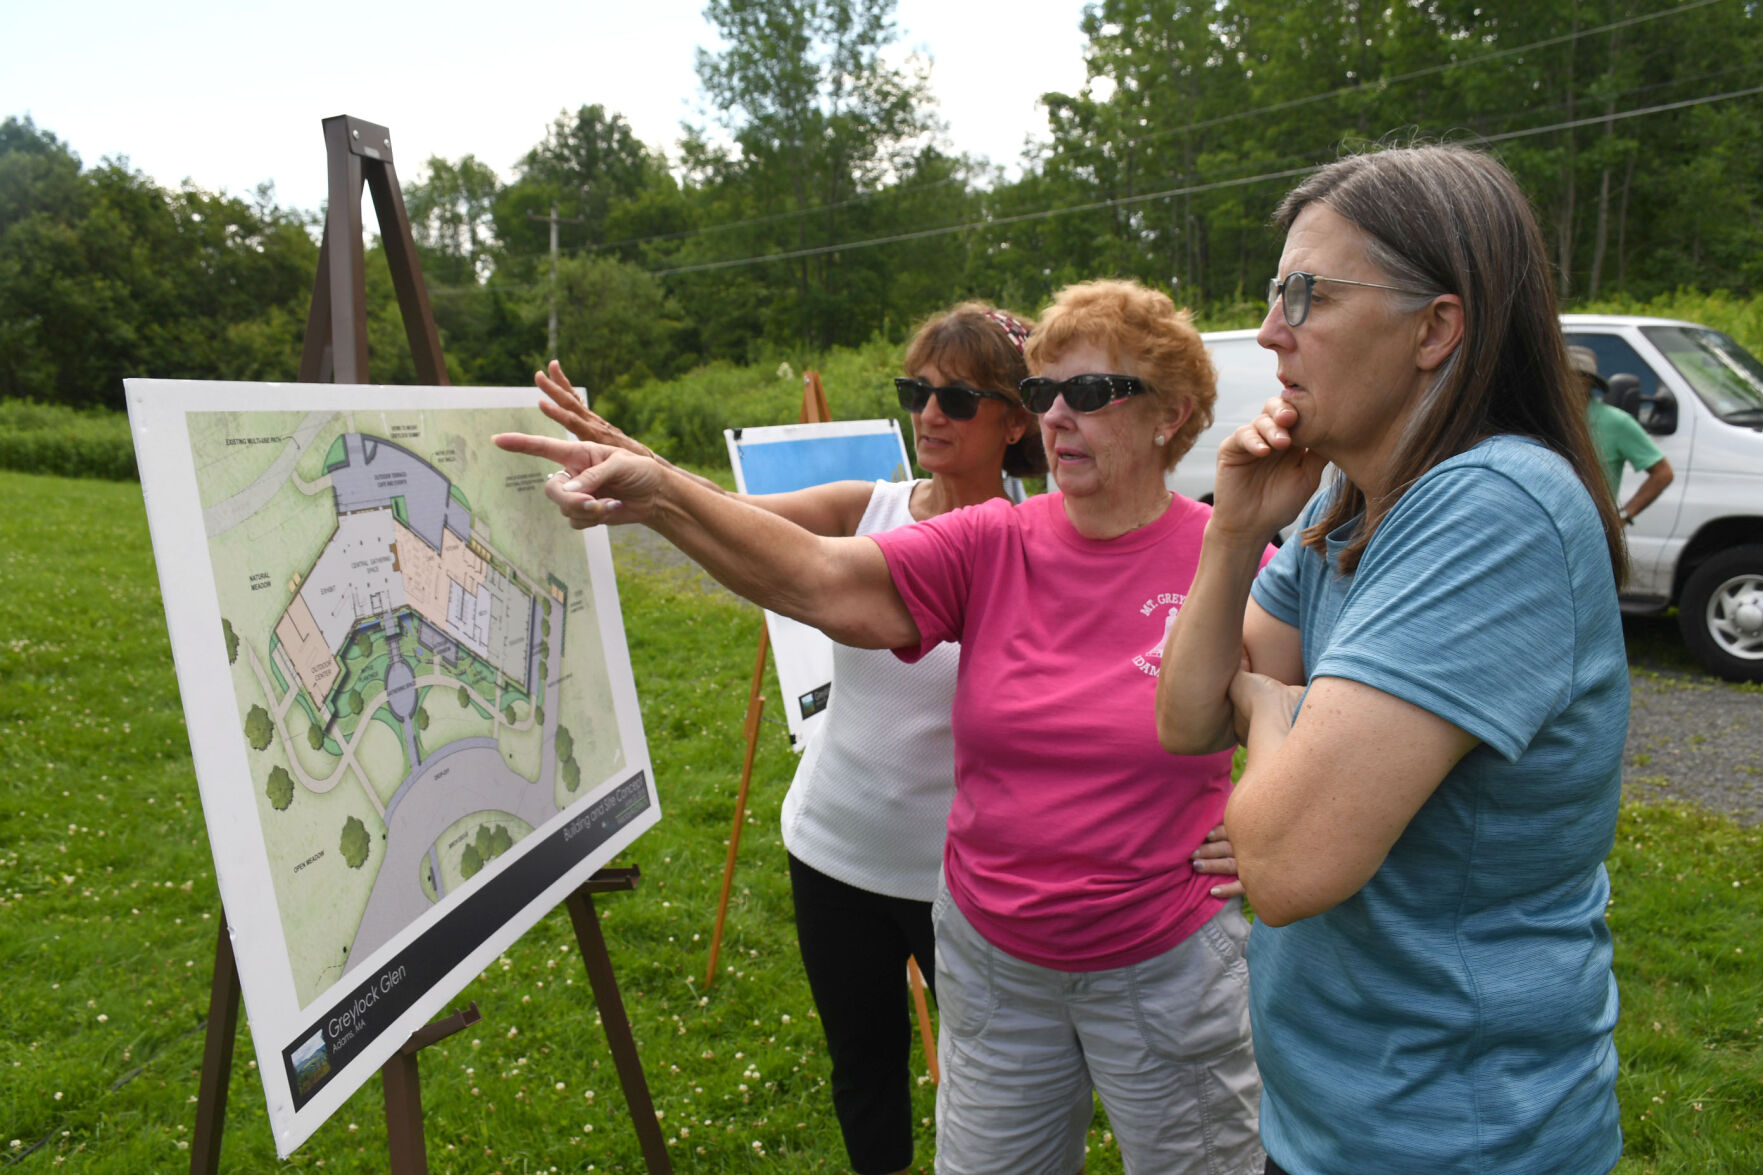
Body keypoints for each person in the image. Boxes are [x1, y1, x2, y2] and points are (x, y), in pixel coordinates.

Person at [496, 279, 1265, 1175]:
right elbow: (822, 579)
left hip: (1163, 967)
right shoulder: (992, 538)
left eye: (1089, 394)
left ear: (1173, 415)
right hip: (995, 964)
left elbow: (1322, 714)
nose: (1057, 417)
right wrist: (661, 491)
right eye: (1046, 391)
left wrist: (1269, 821)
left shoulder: (1227, 553)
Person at [1156, 144, 1629, 1175]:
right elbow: (1187, 716)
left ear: (1436, 327)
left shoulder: (1491, 507)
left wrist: (1274, 715)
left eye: (1305, 294)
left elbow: (1279, 862)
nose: (1269, 330)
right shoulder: (1351, 498)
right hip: (1337, 1116)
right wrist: (1232, 531)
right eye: (1272, 293)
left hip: (1458, 1136)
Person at [531, 303, 1059, 1175]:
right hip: (832, 854)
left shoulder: (1044, 540)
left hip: (963, 877)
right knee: (863, 1068)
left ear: (1014, 417)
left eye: (956, 399)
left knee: (988, 1079)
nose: (928, 414)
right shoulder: (869, 505)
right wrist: (628, 461)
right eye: (914, 391)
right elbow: (724, 511)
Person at [1571, 343, 1675, 527]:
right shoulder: (1543, 420)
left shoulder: (1616, 422)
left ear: (1585, 380)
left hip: (1593, 532)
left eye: (1566, 375)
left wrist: (1623, 516)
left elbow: (1663, 473)